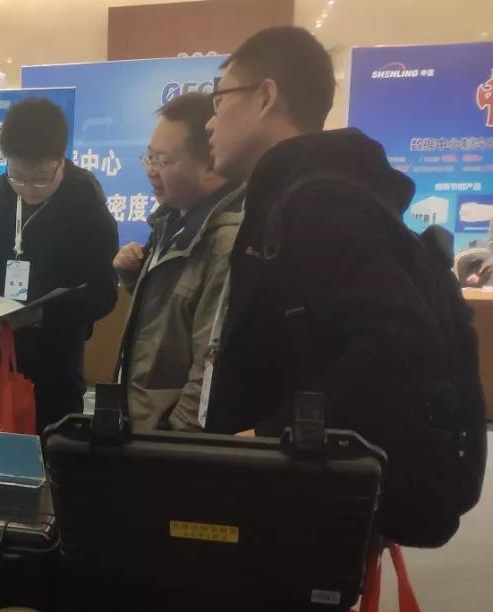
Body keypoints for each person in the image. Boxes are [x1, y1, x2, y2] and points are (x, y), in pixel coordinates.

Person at [203, 26, 485, 546]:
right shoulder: (303, 194)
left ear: (265, 97)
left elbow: (400, 340)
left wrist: (269, 438)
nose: (210, 121)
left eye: (220, 99)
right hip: (297, 491)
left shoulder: (316, 205)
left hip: (295, 503)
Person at [0, 98, 118, 435]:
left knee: (49, 448)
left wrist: (41, 314)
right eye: (18, 176)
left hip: (52, 361)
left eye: (41, 179)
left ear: (61, 159)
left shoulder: (85, 202)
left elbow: (104, 293)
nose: (28, 189)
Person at [114, 92, 244, 432]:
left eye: (162, 161)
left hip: (169, 439)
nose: (150, 171)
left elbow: (209, 368)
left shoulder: (226, 242)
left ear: (210, 161)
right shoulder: (171, 221)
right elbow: (172, 320)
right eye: (149, 156)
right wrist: (133, 279)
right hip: (144, 424)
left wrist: (174, 442)